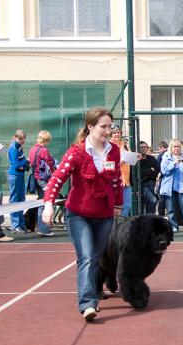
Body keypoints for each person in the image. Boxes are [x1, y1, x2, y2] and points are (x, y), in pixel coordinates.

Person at [41, 107, 123, 322]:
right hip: (78, 214)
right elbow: (57, 179)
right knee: (86, 256)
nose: (107, 131)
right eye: (103, 126)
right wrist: (48, 204)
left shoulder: (113, 151)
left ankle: (93, 292)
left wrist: (118, 205)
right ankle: (87, 304)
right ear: (90, 127)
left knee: (96, 257)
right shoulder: (76, 152)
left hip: (104, 214)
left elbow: (115, 181)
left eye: (109, 126)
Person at [159, 138, 183, 233]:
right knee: (171, 208)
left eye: (178, 146)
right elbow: (164, 171)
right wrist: (173, 163)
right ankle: (174, 226)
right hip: (169, 187)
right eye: (174, 146)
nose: (176, 148)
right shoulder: (166, 156)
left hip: (182, 186)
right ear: (171, 148)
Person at [27, 130, 57, 236]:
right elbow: (50, 163)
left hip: (36, 179)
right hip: (44, 179)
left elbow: (31, 163)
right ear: (46, 139)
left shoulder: (32, 149)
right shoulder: (44, 150)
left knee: (42, 202)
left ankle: (42, 227)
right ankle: (44, 229)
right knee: (47, 202)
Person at [7, 129, 30, 233]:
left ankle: (21, 224)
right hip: (15, 175)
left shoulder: (19, 146)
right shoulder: (13, 147)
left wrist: (25, 164)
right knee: (15, 200)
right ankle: (15, 225)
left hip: (20, 175)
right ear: (15, 137)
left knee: (21, 199)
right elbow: (16, 164)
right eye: (21, 139)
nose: (23, 140)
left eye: (24, 138)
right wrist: (27, 160)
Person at [110, 125, 132, 217]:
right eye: (114, 132)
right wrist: (119, 163)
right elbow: (106, 165)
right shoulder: (107, 146)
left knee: (127, 205)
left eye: (118, 132)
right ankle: (113, 227)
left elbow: (130, 158)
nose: (117, 134)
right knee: (115, 206)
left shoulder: (125, 144)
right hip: (114, 181)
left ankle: (122, 226)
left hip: (126, 181)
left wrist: (135, 157)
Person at [138, 141, 160, 215]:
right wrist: (150, 170)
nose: (143, 149)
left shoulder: (152, 158)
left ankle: (150, 221)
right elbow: (138, 173)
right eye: (141, 147)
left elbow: (157, 170)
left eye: (145, 147)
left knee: (151, 205)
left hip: (152, 184)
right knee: (153, 200)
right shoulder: (137, 160)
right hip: (142, 185)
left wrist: (146, 172)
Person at [155, 140, 168, 216]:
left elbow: (157, 167)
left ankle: (161, 214)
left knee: (161, 198)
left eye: (159, 149)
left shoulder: (161, 155)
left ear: (162, 148)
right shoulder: (170, 154)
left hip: (162, 178)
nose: (159, 151)